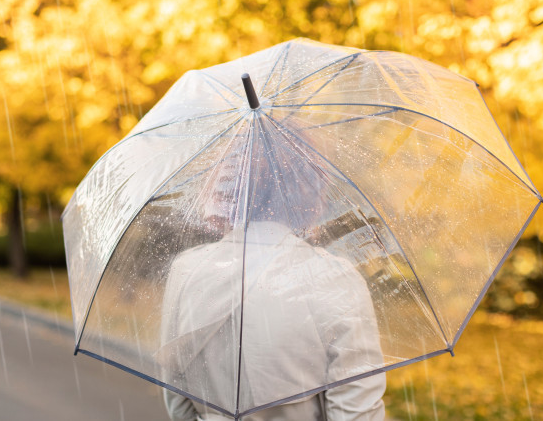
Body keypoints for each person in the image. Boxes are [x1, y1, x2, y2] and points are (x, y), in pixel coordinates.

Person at [157, 130, 387, 421]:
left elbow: (178, 398)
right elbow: (357, 411)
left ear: (226, 188)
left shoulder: (186, 270)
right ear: (307, 188)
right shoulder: (332, 278)